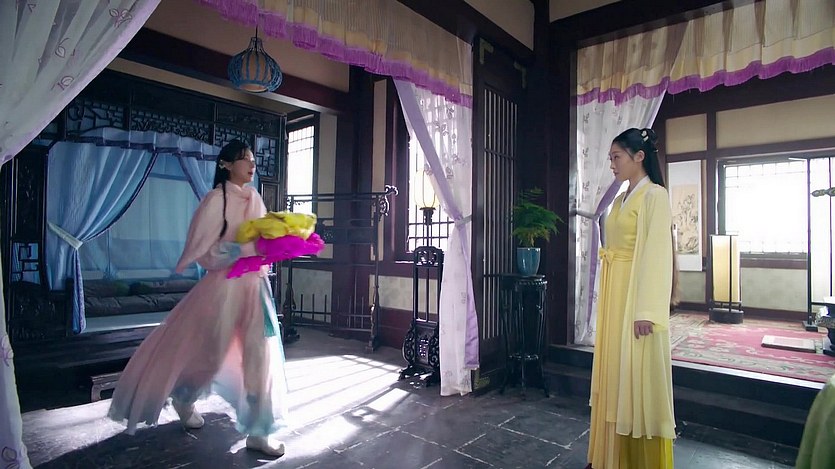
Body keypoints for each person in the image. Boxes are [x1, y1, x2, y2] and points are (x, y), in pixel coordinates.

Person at [108, 139, 289, 457]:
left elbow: (262, 244)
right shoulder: (215, 201)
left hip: (255, 288)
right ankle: (184, 397)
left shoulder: (255, 198)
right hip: (224, 289)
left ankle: (258, 432)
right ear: (226, 164)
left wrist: (278, 241)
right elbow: (206, 253)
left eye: (252, 159)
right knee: (210, 353)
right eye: (244, 158)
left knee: (260, 356)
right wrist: (243, 250)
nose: (252, 164)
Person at [587, 128, 677, 469]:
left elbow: (657, 254)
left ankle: (636, 461)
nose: (612, 164)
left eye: (616, 157)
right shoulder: (621, 198)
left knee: (635, 373)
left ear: (639, 157)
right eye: (610, 158)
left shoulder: (654, 195)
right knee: (614, 370)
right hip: (615, 291)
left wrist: (647, 310)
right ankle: (609, 458)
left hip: (635, 296)